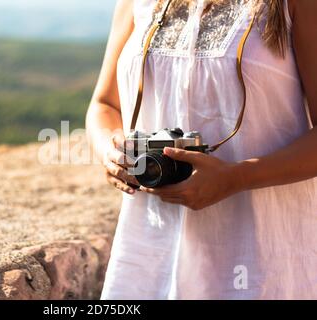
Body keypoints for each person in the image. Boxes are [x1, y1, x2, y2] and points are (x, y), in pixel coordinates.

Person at [86, 0, 317, 299]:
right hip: (147, 257)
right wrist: (109, 152)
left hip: (261, 260)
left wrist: (237, 177)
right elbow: (104, 104)